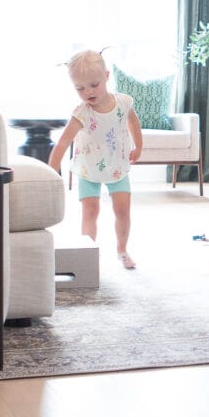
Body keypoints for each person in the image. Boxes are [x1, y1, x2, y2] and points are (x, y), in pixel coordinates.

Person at [49, 50, 143, 270]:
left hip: (117, 167)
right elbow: (62, 143)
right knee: (90, 211)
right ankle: (87, 253)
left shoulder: (123, 103)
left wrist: (138, 146)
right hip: (88, 170)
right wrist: (52, 172)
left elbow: (133, 124)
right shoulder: (82, 114)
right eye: (80, 88)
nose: (88, 92)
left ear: (107, 76)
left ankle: (122, 250)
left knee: (122, 210)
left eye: (94, 85)